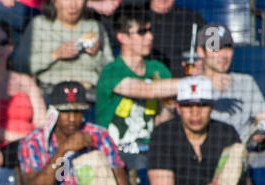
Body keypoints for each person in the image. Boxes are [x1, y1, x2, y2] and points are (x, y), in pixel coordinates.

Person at [18, 80, 157, 185]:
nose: (72, 119)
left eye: (77, 112)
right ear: (53, 113)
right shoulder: (34, 141)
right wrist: (61, 151)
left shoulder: (99, 135)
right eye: (65, 112)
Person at [147, 74, 265, 185]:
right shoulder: (164, 134)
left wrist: (239, 175)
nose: (195, 112)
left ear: (212, 106)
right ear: (178, 108)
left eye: (202, 105)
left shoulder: (226, 132)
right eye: (188, 105)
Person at [195, 22, 265, 170]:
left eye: (227, 47)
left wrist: (263, 129)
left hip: (244, 155)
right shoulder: (191, 86)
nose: (223, 54)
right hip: (204, 158)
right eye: (216, 48)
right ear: (201, 52)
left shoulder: (245, 82)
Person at [95, 6, 181, 169]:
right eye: (142, 32)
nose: (149, 37)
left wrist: (168, 109)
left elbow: (162, 120)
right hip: (114, 154)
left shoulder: (159, 69)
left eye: (150, 30)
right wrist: (198, 82)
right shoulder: (111, 71)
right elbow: (146, 90)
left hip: (150, 151)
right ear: (122, 37)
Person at [0, 21, 47, 149]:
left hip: (29, 149)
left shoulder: (25, 81)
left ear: (10, 47)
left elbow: (42, 122)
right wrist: (20, 138)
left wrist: (31, 142)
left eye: (2, 43)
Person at [27, 0, 112, 94]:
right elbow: (23, 66)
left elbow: (111, 73)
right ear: (53, 2)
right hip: (50, 92)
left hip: (89, 94)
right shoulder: (39, 25)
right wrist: (55, 54)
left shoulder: (95, 27)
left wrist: (97, 55)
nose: (73, 5)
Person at [146, 0, 203, 78]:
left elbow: (214, 45)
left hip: (186, 80)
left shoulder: (191, 17)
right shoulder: (137, 16)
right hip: (149, 81)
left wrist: (204, 64)